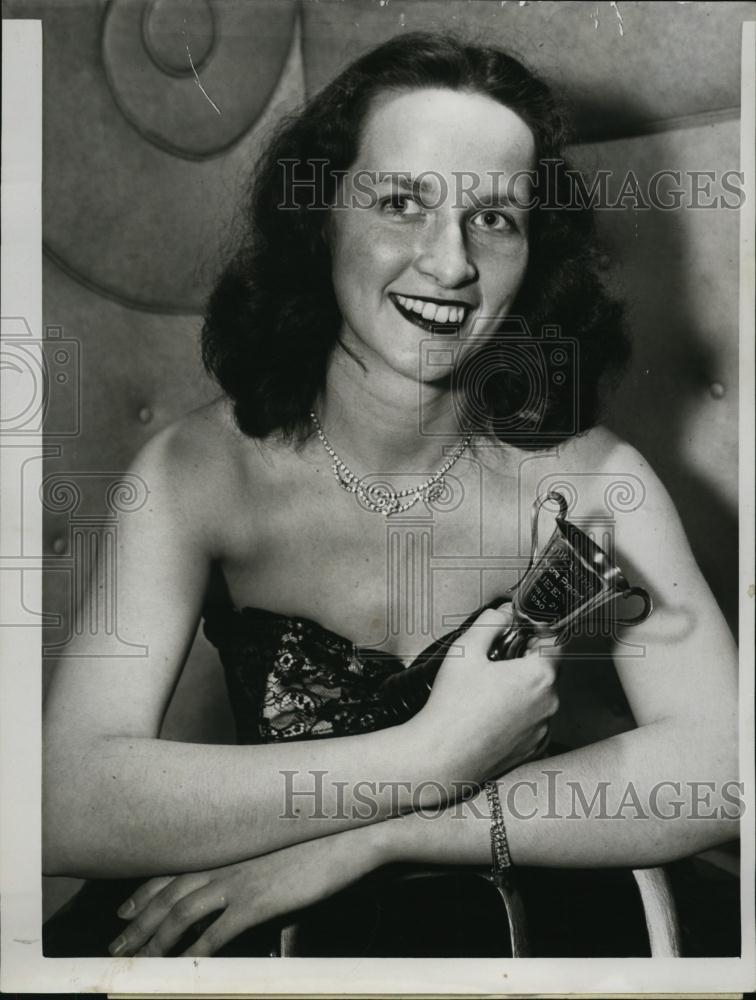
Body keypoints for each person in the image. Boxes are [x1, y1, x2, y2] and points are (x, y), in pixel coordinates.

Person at [42, 32, 739, 958]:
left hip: (517, 914)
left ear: (538, 254)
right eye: (402, 202)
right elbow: (64, 805)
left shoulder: (594, 478)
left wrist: (381, 832)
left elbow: (727, 772)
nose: (449, 263)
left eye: (494, 218)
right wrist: (423, 758)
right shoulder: (195, 473)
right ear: (321, 218)